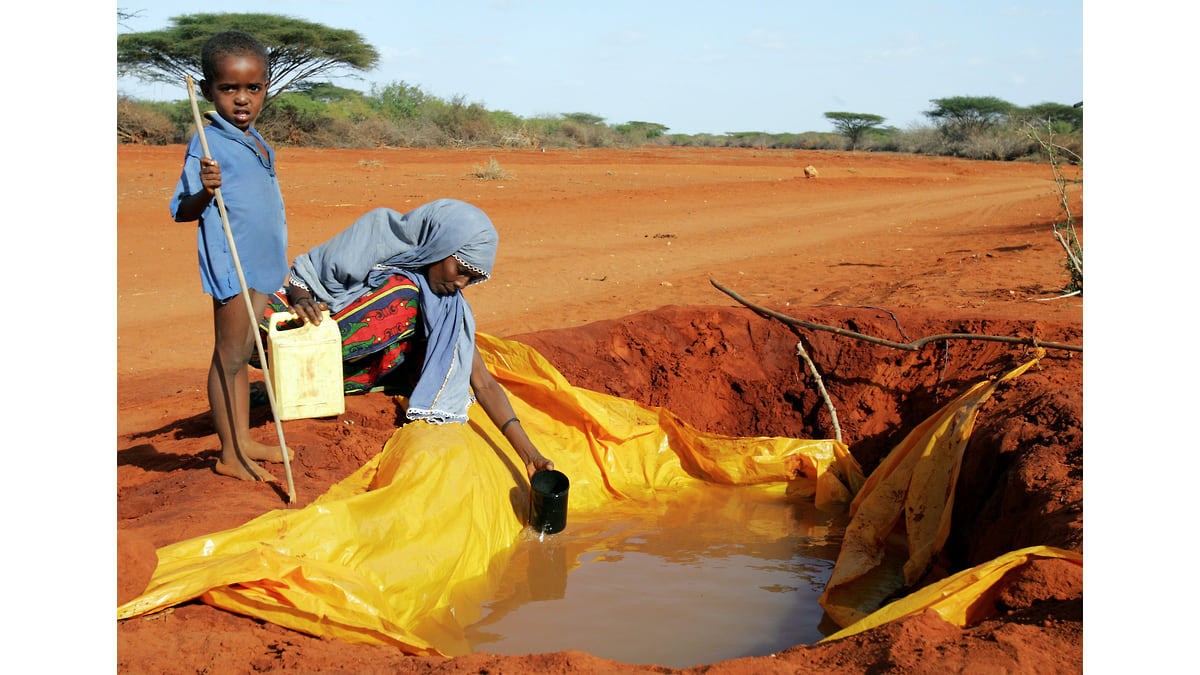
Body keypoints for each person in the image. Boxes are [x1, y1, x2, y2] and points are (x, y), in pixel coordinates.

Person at [265, 198, 554, 479]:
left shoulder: (446, 305)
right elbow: (308, 276)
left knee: (409, 296)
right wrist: (302, 297)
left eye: (470, 278)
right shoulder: (376, 233)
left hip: (354, 377)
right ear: (441, 246)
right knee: (255, 314)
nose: (461, 283)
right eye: (461, 271)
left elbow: (483, 382)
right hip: (313, 332)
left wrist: (529, 454)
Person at [170, 31, 289, 483]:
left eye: (252, 88)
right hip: (233, 263)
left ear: (265, 89)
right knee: (228, 356)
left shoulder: (256, 140)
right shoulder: (208, 142)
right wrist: (205, 189)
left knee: (243, 353)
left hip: (262, 262)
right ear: (207, 91)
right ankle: (228, 454)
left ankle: (243, 440)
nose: (242, 99)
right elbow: (182, 210)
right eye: (229, 88)